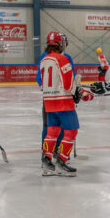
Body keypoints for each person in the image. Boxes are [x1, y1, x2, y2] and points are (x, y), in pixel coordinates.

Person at [39, 31, 91, 176]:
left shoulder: (44, 60)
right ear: (59, 43)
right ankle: (61, 162)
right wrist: (81, 93)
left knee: (52, 132)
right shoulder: (62, 59)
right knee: (71, 131)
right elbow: (69, 83)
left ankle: (47, 161)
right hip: (63, 102)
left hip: (49, 102)